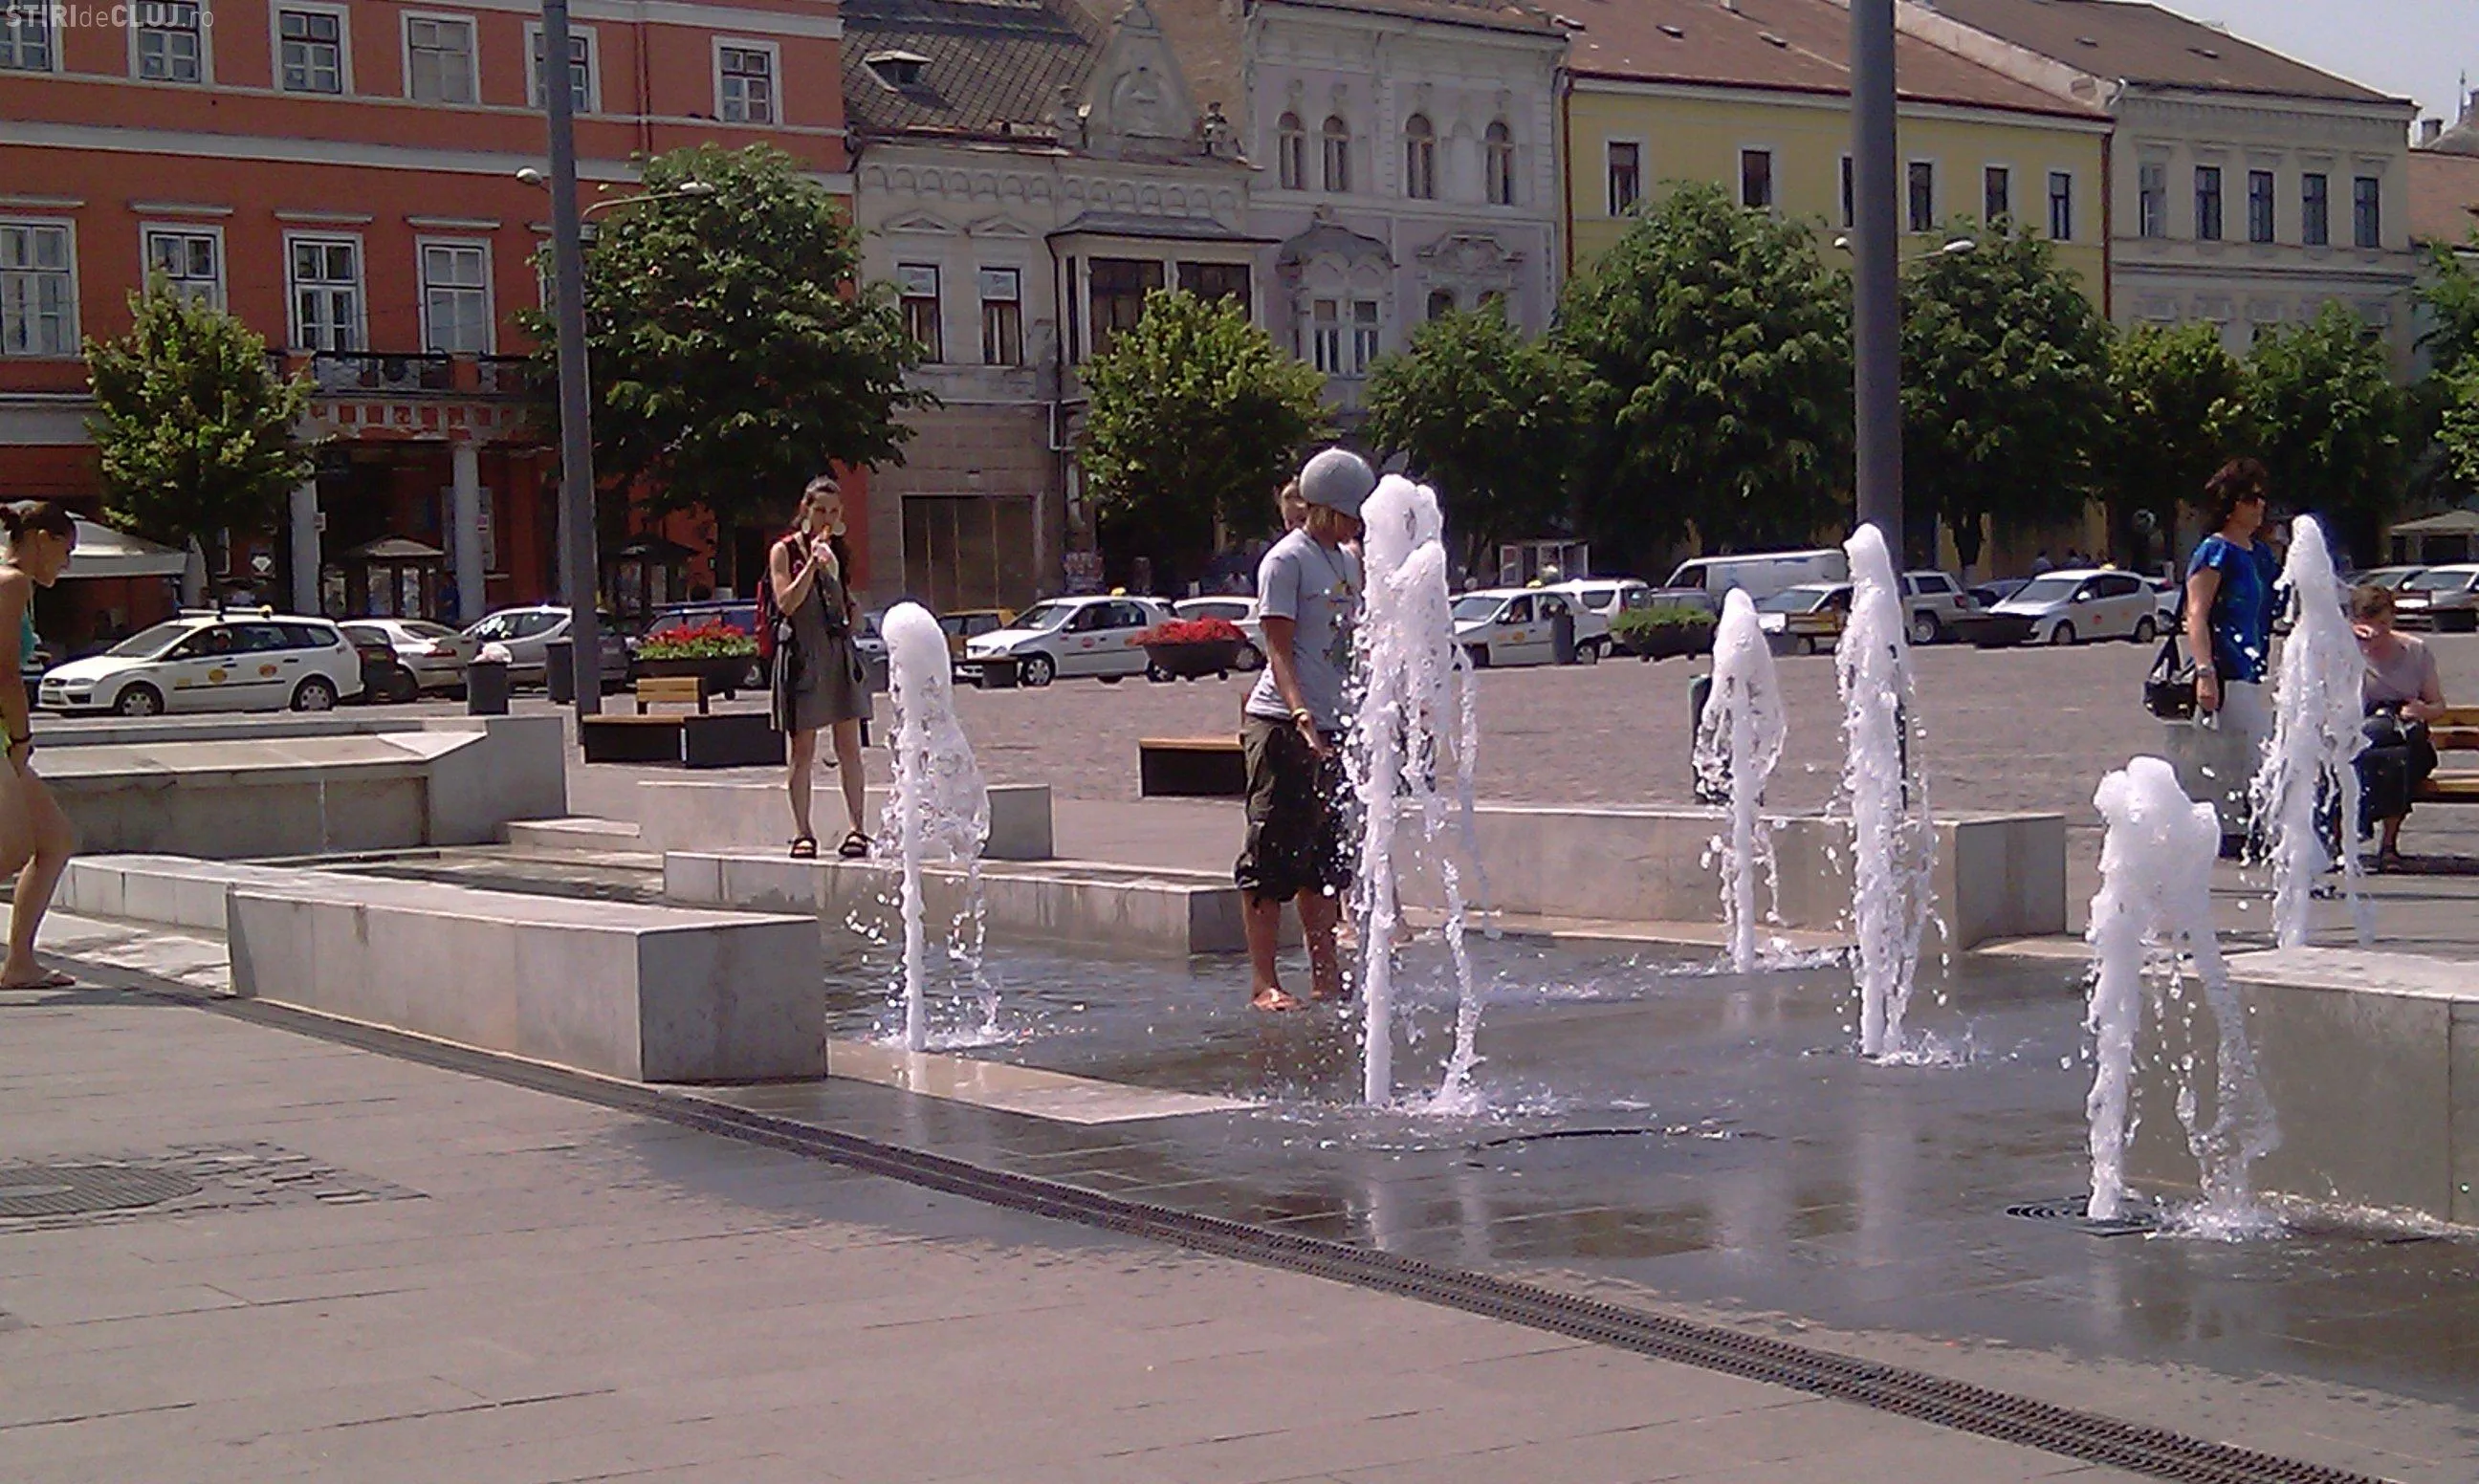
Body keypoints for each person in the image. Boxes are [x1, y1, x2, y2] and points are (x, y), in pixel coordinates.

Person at [1238, 447, 1372, 1012]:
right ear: (1328, 507)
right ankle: (1264, 982)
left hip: (1333, 725)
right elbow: (1279, 650)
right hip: (1282, 723)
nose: (1359, 523)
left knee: (1323, 859)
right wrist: (1301, 718)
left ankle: (1326, 973)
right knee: (1271, 853)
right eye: (1352, 513)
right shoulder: (1286, 561)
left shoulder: (1345, 561)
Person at [2181, 457, 2282, 855]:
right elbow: (2196, 614)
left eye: (2262, 498)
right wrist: (2205, 671)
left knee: (2250, 756)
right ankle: (2237, 834)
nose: (2260, 506)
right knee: (2251, 756)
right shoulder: (2215, 551)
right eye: (2251, 498)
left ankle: (2247, 832)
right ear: (2231, 503)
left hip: (2252, 672)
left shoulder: (2260, 555)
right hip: (2225, 672)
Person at [768, 475, 872, 860]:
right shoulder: (784, 551)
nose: (827, 518)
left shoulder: (840, 553)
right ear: (805, 510)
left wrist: (845, 596)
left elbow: (849, 611)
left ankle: (858, 829)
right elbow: (786, 602)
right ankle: (803, 832)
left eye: (834, 511)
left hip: (837, 652)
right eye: (820, 510)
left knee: (849, 747)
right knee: (803, 749)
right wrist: (812, 565)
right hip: (803, 655)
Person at [0, 502, 77, 989]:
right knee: (9, 851)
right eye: (66, 551)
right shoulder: (12, 584)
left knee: (54, 841)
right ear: (42, 539)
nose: (66, 564)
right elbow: (6, 674)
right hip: (3, 734)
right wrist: (23, 738)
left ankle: (20, 963)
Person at [2352, 584, 2445, 870]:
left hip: (2408, 736)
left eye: (2384, 623)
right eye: (2369, 623)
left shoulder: (2414, 650)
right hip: (2363, 735)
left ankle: (2382, 840)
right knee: (2373, 754)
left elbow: (2438, 705)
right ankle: (2360, 837)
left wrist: (2421, 711)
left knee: (2398, 757)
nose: (2377, 631)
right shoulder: (2344, 651)